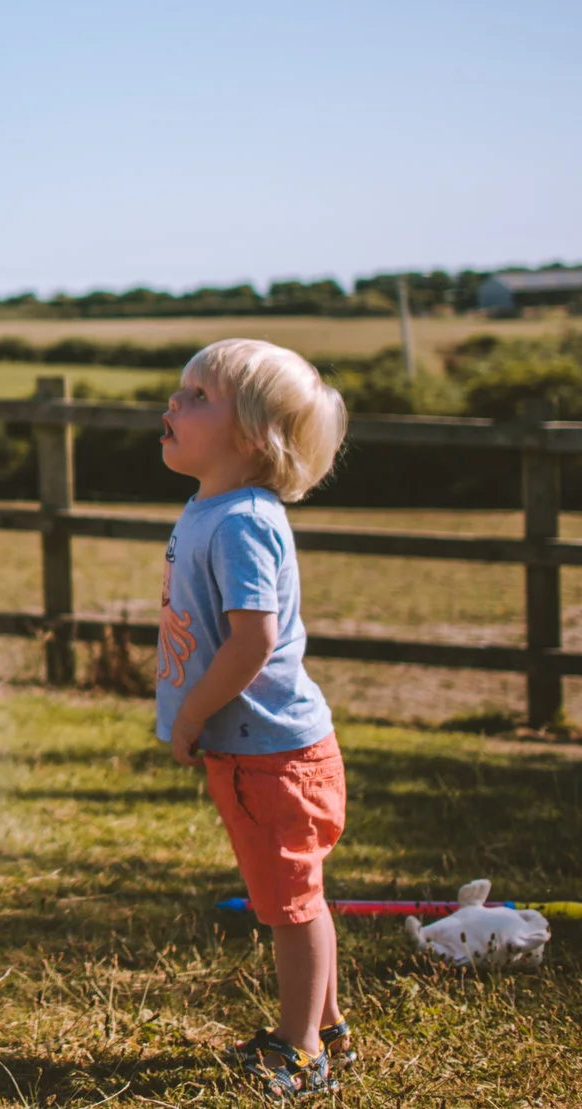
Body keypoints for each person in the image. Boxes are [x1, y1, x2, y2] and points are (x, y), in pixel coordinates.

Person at [156, 339, 352, 1099]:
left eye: (198, 394)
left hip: (273, 755)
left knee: (290, 906)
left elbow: (253, 640)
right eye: (180, 390)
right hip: (256, 752)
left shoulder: (242, 520)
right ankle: (326, 1026)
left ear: (252, 436)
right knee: (292, 894)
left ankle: (300, 1047)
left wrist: (192, 713)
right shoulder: (214, 506)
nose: (173, 403)